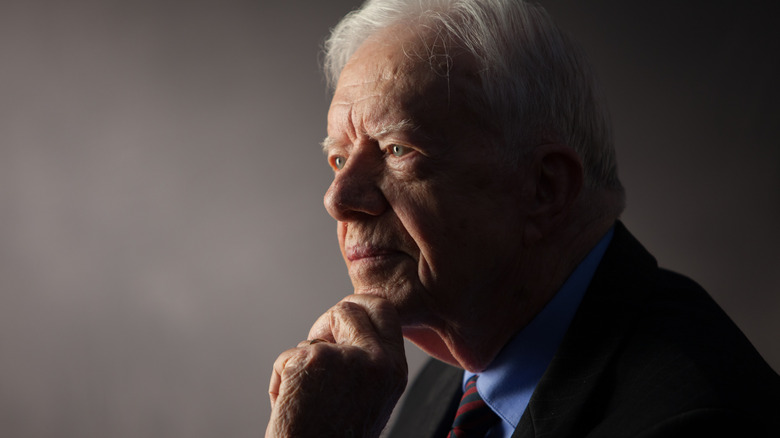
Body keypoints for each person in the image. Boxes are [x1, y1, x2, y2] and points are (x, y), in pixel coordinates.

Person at [265, 0, 780, 436]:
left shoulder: (694, 417)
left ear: (545, 188)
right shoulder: (449, 373)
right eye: (338, 157)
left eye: (398, 149)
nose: (339, 197)